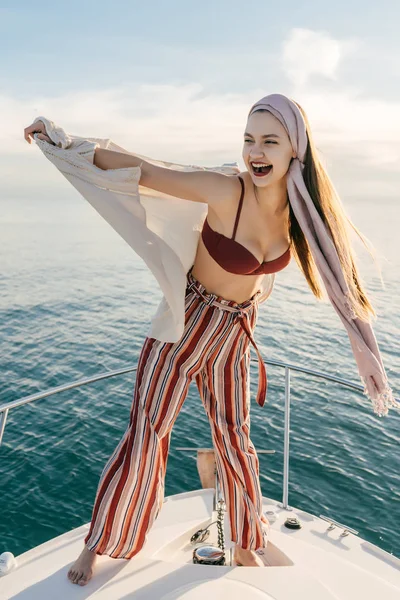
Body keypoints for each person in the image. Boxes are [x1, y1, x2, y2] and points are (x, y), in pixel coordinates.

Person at [24, 93, 397, 586]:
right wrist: (63, 142)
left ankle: (246, 544)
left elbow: (341, 280)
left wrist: (366, 353)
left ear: (295, 150)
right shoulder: (227, 190)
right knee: (146, 435)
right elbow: (144, 169)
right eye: (248, 140)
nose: (255, 152)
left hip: (235, 332)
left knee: (236, 439)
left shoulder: (303, 214)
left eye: (269, 140)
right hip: (185, 325)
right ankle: (101, 545)